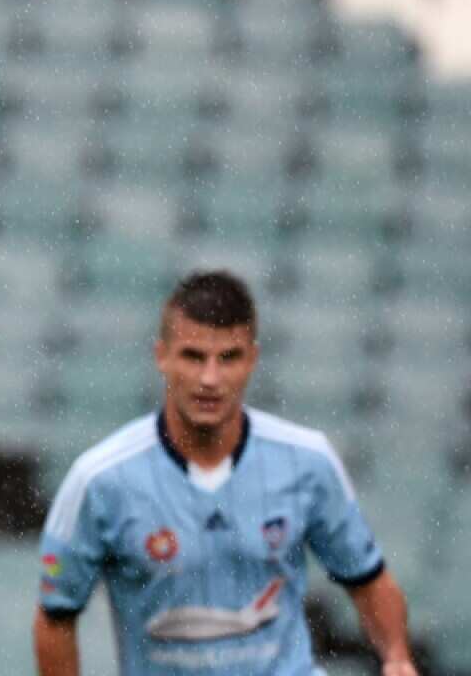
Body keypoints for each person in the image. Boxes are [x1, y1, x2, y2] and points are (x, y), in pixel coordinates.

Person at [33, 270, 419, 675]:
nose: (210, 379)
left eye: (229, 357)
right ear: (161, 356)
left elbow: (367, 578)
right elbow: (56, 616)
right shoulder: (100, 479)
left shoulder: (307, 460)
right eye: (193, 356)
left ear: (252, 359)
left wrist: (397, 657)